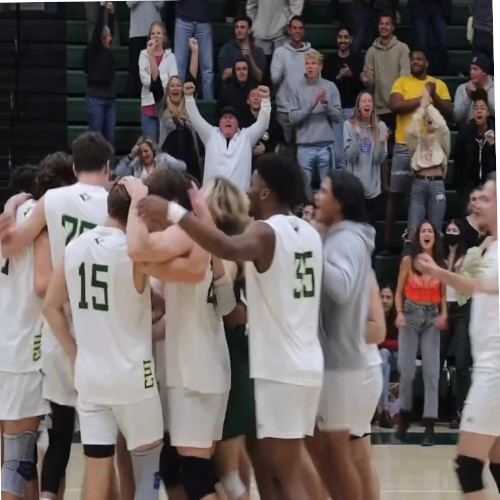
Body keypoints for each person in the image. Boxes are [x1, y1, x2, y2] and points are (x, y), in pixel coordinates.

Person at [136, 153, 324, 500]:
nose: (248, 192)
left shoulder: (266, 231)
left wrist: (172, 213)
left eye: (253, 184)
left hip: (280, 367)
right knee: (276, 472)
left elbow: (227, 247)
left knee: (285, 476)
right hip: (306, 361)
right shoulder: (310, 234)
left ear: (266, 191)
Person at [0, 132, 112, 500]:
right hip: (75, 337)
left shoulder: (35, 210)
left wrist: (12, 205)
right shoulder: (109, 203)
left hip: (34, 338)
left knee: (36, 448)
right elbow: (42, 282)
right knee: (98, 448)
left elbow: (11, 243)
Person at [42, 181, 165, 500]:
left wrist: (72, 351)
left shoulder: (75, 247)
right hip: (134, 377)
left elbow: (50, 306)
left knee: (96, 478)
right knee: (148, 476)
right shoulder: (136, 253)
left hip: (90, 377)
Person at [416, 172, 498, 500]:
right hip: (492, 366)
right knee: (497, 462)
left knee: (468, 465)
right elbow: (474, 286)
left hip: (495, 372)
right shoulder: (490, 245)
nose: (480, 203)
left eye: (489, 198)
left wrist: (438, 272)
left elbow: (481, 286)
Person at [310, 170, 375, 500]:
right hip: (335, 361)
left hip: (340, 362)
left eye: (323, 191)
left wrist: (313, 245)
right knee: (327, 454)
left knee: (338, 457)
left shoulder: (347, 239)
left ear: (340, 201)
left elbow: (341, 287)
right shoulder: (341, 235)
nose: (316, 197)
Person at [0, 163, 59, 500]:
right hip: (22, 357)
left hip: (5, 350)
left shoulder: (6, 224)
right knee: (18, 463)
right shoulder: (39, 225)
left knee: (15, 461)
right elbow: (42, 286)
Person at [383, 49, 451, 254]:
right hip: (406, 143)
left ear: (427, 62)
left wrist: (433, 94)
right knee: (395, 194)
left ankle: (429, 249)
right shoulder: (401, 82)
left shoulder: (437, 83)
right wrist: (424, 100)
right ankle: (387, 244)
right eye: (412, 59)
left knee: (427, 198)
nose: (415, 62)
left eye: (419, 59)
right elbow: (395, 105)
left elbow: (449, 111)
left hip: (432, 144)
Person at [394, 220, 447, 447]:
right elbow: (398, 291)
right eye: (423, 230)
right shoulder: (408, 261)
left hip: (431, 316)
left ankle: (429, 425)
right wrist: (398, 312)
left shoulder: (441, 264)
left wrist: (444, 314)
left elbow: (444, 294)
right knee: (406, 371)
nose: (426, 234)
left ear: (435, 237)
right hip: (410, 314)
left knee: (432, 373)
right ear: (419, 237)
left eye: (430, 231)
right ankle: (404, 418)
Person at [184, 82, 271, 191]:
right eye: (225, 117)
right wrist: (188, 97)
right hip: (211, 200)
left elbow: (263, 123)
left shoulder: (247, 136)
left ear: (238, 123)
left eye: (231, 117)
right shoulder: (210, 134)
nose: (228, 119)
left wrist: (266, 100)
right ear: (219, 123)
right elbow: (195, 118)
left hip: (239, 201)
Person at [289, 49, 342, 188]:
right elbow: (292, 118)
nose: (310, 66)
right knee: (304, 188)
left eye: (313, 63)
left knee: (327, 188)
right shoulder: (296, 88)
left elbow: (338, 117)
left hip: (325, 146)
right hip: (304, 146)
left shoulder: (330, 87)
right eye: (307, 63)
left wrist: (325, 104)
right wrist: (310, 106)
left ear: (320, 67)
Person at [151, 39, 202, 181]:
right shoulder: (162, 108)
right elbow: (155, 83)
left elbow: (192, 79)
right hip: (169, 166)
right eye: (172, 86)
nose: (175, 88)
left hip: (191, 164)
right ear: (168, 90)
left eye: (178, 85)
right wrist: (151, 54)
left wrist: (195, 52)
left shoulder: (189, 105)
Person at [405, 86, 450, 242]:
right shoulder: (417, 141)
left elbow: (442, 126)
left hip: (437, 184)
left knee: (435, 232)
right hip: (418, 185)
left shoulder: (442, 139)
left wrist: (429, 106)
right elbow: (410, 132)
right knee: (412, 231)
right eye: (427, 118)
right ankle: (408, 265)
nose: (430, 120)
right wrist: (422, 109)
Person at [439, 219, 472, 429]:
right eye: (448, 229)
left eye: (455, 230)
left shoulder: (468, 257)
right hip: (443, 309)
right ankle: (434, 411)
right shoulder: (438, 255)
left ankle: (461, 411)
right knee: (435, 361)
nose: (451, 233)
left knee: (461, 365)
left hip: (461, 310)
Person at [323, 26, 365, 171]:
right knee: (338, 153)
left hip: (353, 110)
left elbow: (362, 86)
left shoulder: (357, 59)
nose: (343, 40)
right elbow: (326, 86)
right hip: (336, 111)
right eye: (340, 37)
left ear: (351, 39)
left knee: (354, 148)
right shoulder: (330, 60)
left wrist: (351, 75)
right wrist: (339, 76)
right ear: (337, 39)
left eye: (346, 37)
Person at [344, 90, 388, 224]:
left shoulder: (380, 127)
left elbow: (378, 160)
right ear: (358, 106)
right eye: (363, 101)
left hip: (373, 190)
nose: (367, 104)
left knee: (369, 231)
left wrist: (381, 142)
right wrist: (357, 136)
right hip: (355, 191)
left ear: (373, 106)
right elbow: (350, 157)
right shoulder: (349, 125)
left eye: (369, 101)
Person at [361, 12, 410, 129]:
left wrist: (396, 101)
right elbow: (369, 80)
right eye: (381, 24)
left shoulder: (402, 48)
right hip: (378, 110)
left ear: (392, 27)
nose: (384, 26)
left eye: (387, 24)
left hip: (398, 108)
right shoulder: (371, 51)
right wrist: (367, 80)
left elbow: (405, 77)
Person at [270, 15, 311, 153]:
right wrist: (283, 71)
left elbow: (317, 82)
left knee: (303, 152)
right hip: (284, 111)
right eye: (294, 28)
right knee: (284, 151)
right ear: (289, 30)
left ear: (304, 31)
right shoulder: (280, 53)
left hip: (304, 111)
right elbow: (274, 79)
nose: (297, 31)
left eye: (300, 28)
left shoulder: (311, 54)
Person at [139, 21, 178, 143]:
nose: (155, 36)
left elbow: (173, 81)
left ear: (164, 36)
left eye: (158, 33)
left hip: (166, 106)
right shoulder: (143, 54)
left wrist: (156, 80)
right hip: (148, 105)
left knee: (164, 146)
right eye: (153, 33)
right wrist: (162, 82)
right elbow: (144, 80)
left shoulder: (171, 56)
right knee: (150, 145)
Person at [83, 1, 116, 146]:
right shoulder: (94, 49)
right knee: (96, 141)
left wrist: (112, 14)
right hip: (96, 99)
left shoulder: (107, 51)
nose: (111, 38)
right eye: (108, 36)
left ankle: (108, 168)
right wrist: (102, 8)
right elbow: (97, 30)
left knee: (109, 141)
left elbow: (111, 31)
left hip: (109, 99)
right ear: (103, 38)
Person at [454, 89, 496, 201]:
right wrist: (460, 186)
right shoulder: (465, 131)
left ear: (487, 112)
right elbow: (459, 160)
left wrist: (492, 145)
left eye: (482, 108)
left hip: (491, 185)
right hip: (469, 185)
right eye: (476, 108)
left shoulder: (495, 131)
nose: (479, 111)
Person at [174, 0, 214, 100]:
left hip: (204, 20)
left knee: (207, 70)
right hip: (183, 20)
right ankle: (177, 104)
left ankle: (208, 104)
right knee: (179, 68)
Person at [127, 1, 164, 97]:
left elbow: (160, 4)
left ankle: (156, 96)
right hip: (137, 32)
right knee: (135, 68)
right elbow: (129, 3)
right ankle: (134, 98)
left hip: (154, 33)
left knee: (156, 65)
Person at [408, 0, 451, 75]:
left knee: (443, 42)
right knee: (421, 44)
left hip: (438, 7)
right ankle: (424, 71)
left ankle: (445, 71)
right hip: (420, 7)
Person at [218, 16, 266, 83]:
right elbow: (224, 76)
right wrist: (240, 68)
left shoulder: (258, 51)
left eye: (242, 27)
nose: (239, 30)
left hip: (251, 89)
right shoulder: (227, 48)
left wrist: (250, 58)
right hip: (232, 89)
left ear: (249, 30)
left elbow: (259, 77)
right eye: (237, 27)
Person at [114, 136, 186, 178]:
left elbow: (183, 167)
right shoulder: (136, 163)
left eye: (146, 151)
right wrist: (130, 156)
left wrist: (167, 164)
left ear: (153, 150)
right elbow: (118, 173)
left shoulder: (163, 158)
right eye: (141, 152)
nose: (143, 155)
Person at [377, 284, 398, 429]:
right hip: (381, 360)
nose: (385, 301)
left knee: (383, 354)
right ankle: (384, 410)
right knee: (384, 362)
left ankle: (378, 410)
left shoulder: (399, 315)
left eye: (388, 297)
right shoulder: (372, 316)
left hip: (398, 357)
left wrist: (381, 343)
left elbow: (401, 343)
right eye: (382, 297)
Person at [454, 54, 495, 126]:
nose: (471, 72)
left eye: (475, 69)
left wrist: (484, 95)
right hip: (469, 131)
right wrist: (468, 98)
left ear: (484, 72)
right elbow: (457, 118)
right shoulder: (462, 88)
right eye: (471, 69)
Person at [217, 59, 256, 127]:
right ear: (234, 72)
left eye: (244, 69)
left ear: (248, 71)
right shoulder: (225, 92)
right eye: (238, 69)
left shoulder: (255, 91)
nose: (241, 72)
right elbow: (218, 115)